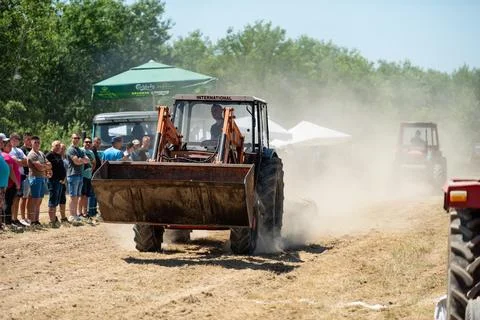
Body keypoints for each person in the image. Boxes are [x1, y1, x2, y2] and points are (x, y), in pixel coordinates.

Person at [27, 136, 51, 226]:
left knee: (39, 200)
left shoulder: (41, 153)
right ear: (31, 143)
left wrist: (44, 166)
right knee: (35, 200)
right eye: (35, 142)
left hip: (42, 178)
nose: (37, 144)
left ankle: (36, 220)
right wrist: (45, 166)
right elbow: (39, 167)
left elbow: (50, 165)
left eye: (38, 142)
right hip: (35, 178)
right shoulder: (32, 154)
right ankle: (32, 221)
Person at [66, 133, 89, 225]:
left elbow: (87, 160)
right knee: (73, 196)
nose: (77, 139)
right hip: (72, 175)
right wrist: (82, 160)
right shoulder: (70, 149)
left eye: (78, 138)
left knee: (77, 196)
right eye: (75, 138)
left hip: (79, 175)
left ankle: (75, 214)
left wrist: (81, 160)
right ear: (71, 139)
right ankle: (72, 215)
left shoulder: (79, 149)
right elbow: (76, 161)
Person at [1, 135, 22, 229]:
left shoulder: (7, 155)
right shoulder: (5, 156)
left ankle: (8, 222)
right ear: (3, 146)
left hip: (8, 184)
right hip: (9, 184)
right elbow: (11, 171)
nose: (10, 147)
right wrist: (16, 182)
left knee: (9, 203)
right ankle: (8, 223)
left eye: (10, 145)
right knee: (7, 204)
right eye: (8, 145)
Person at [9, 132, 29, 226]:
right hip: (13, 177)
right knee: (12, 199)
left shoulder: (19, 150)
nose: (16, 140)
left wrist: (20, 161)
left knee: (18, 198)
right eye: (14, 138)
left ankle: (15, 218)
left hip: (21, 176)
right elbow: (15, 162)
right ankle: (11, 219)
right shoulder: (9, 150)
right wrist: (20, 161)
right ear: (10, 139)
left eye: (17, 139)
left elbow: (26, 162)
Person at [46, 140, 66, 228]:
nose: (58, 147)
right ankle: (52, 221)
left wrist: (63, 178)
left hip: (60, 181)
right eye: (56, 145)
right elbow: (46, 165)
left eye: (59, 146)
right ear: (52, 146)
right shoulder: (49, 155)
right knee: (52, 201)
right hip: (53, 181)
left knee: (56, 201)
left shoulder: (58, 155)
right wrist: (48, 173)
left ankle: (54, 219)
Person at [79, 137, 95, 218]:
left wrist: (91, 170)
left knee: (86, 196)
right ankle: (79, 212)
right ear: (83, 143)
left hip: (89, 176)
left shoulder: (91, 152)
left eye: (89, 142)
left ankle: (85, 212)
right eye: (86, 142)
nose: (88, 143)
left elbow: (94, 163)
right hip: (82, 176)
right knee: (81, 195)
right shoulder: (80, 150)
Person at [20, 132, 32, 225]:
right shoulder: (22, 150)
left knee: (30, 198)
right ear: (24, 140)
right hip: (25, 176)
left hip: (33, 176)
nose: (29, 141)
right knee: (24, 198)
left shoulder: (32, 150)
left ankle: (29, 217)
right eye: (27, 139)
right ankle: (23, 217)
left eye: (30, 139)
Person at [0, 141, 9, 231]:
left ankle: (1, 224)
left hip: (2, 184)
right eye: (1, 141)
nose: (2, 143)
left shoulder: (1, 154)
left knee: (1, 205)